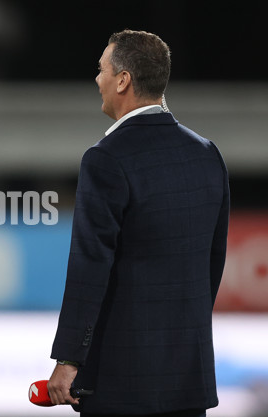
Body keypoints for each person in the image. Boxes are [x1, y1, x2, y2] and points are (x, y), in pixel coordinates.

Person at [47, 29, 229, 417]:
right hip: (188, 379)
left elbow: (90, 266)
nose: (97, 80)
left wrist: (68, 358)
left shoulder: (105, 159)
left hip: (120, 381)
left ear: (123, 80)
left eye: (102, 70)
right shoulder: (206, 153)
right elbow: (212, 261)